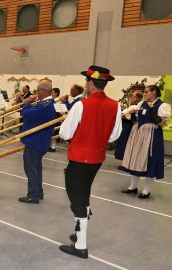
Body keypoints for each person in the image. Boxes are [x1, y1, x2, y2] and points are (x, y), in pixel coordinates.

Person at [58, 66, 122, 259]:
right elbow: (114, 135)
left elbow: (65, 133)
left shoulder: (81, 105)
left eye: (87, 81)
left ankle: (81, 245)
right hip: (97, 158)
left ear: (91, 82)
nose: (86, 84)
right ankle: (79, 233)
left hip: (79, 158)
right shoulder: (115, 105)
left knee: (78, 198)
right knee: (83, 194)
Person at [121, 85, 171, 199]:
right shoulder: (141, 104)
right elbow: (137, 119)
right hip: (138, 133)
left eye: (147, 92)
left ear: (154, 92)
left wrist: (152, 110)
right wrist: (132, 113)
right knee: (135, 158)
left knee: (150, 161)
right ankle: (132, 187)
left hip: (151, 134)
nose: (144, 94)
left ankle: (146, 190)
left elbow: (162, 123)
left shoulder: (162, 106)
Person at [18, 80, 56, 204]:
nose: (36, 93)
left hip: (35, 141)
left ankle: (33, 195)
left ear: (43, 91)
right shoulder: (48, 103)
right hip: (39, 141)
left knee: (31, 169)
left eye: (37, 91)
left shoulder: (44, 104)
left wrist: (27, 103)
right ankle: (38, 192)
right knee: (36, 168)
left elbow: (27, 114)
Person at [114, 91, 142, 167]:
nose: (132, 98)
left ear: (139, 98)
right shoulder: (132, 106)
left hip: (129, 127)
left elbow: (131, 118)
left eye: (134, 96)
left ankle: (126, 163)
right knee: (123, 143)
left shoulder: (138, 107)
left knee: (126, 144)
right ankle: (124, 162)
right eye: (132, 96)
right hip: (126, 125)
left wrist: (125, 114)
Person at [49, 87, 61, 152]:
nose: (52, 93)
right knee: (50, 132)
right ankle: (50, 146)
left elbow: (59, 110)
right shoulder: (51, 100)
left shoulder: (58, 100)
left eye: (53, 92)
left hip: (56, 117)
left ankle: (53, 147)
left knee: (54, 133)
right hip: (51, 117)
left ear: (56, 93)